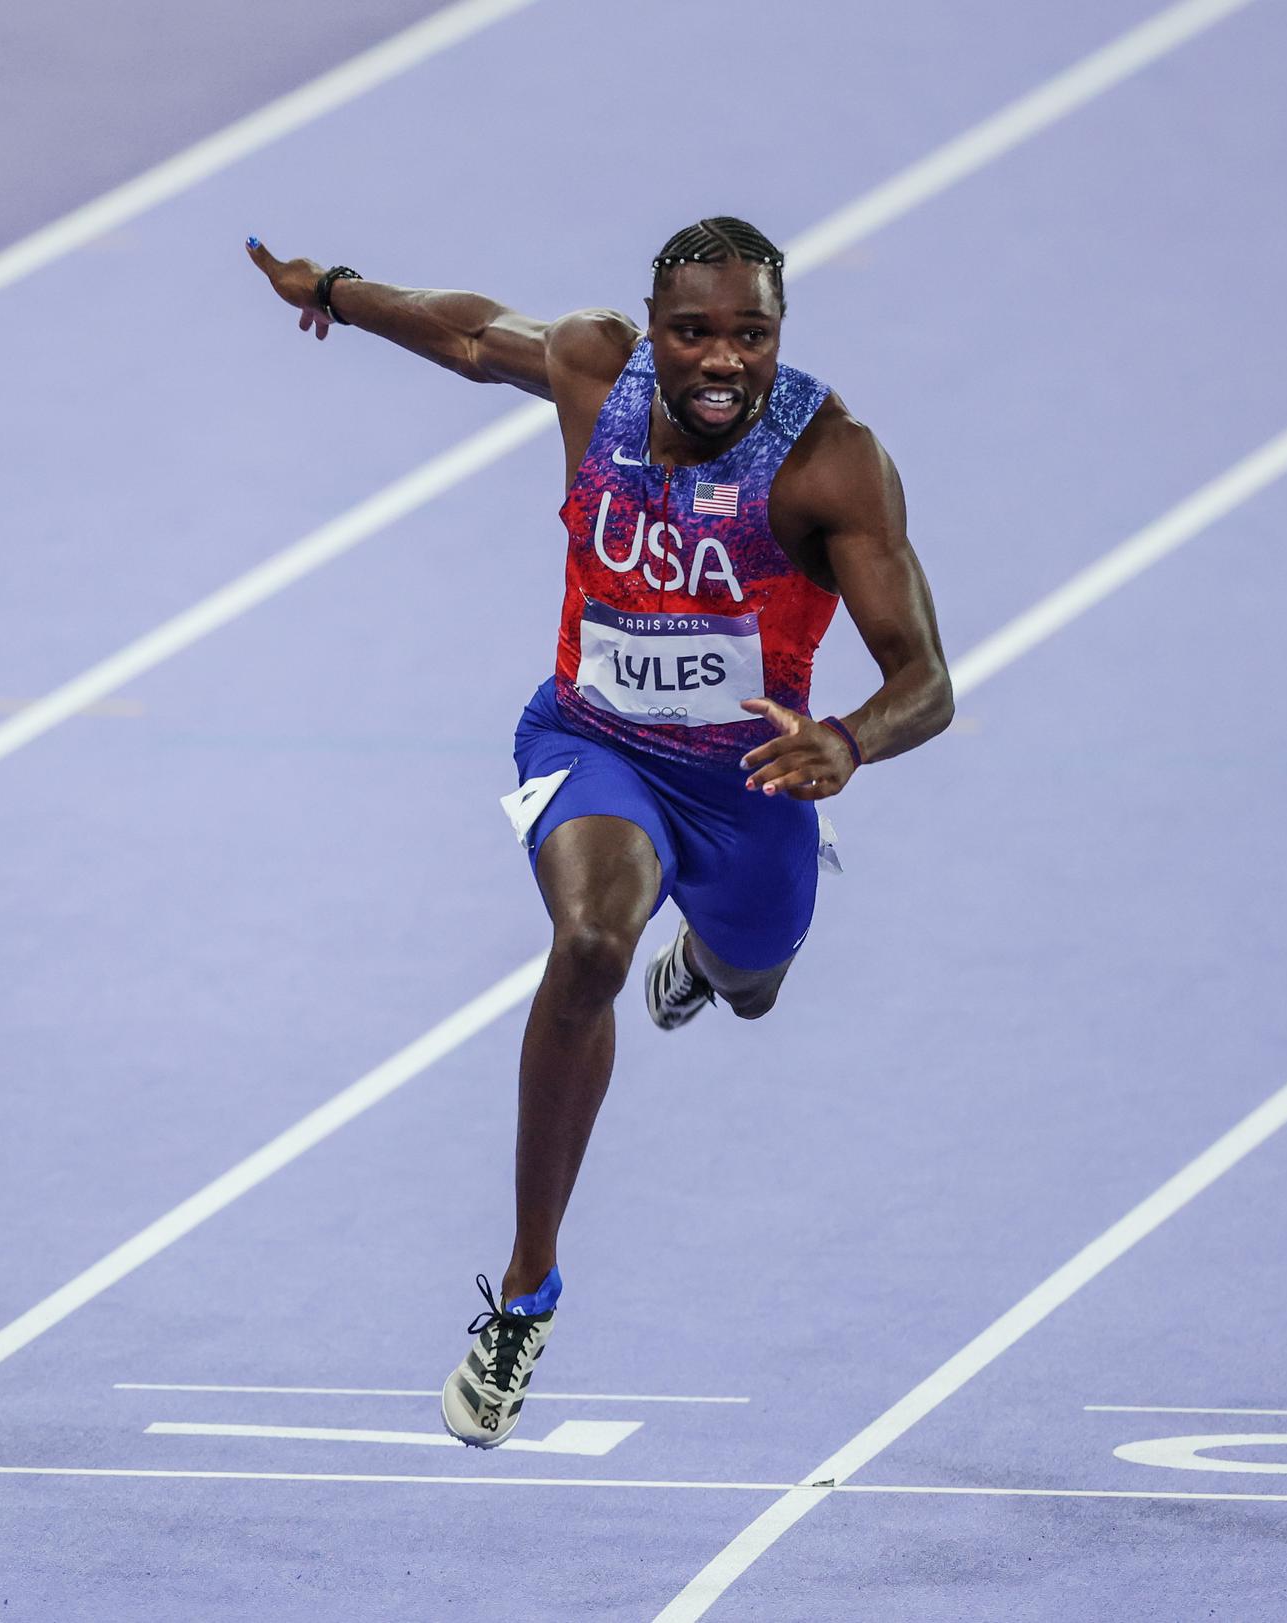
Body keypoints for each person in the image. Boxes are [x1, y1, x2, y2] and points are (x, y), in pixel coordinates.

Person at [248, 217, 952, 1446]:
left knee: (753, 985)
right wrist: (342, 290)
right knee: (588, 945)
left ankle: (711, 962)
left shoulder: (834, 464)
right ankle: (528, 1288)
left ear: (779, 336)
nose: (723, 361)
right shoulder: (592, 370)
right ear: (654, 333)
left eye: (752, 335)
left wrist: (844, 740)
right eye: (696, 333)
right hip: (593, 742)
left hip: (752, 785)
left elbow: (926, 680)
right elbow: (467, 335)